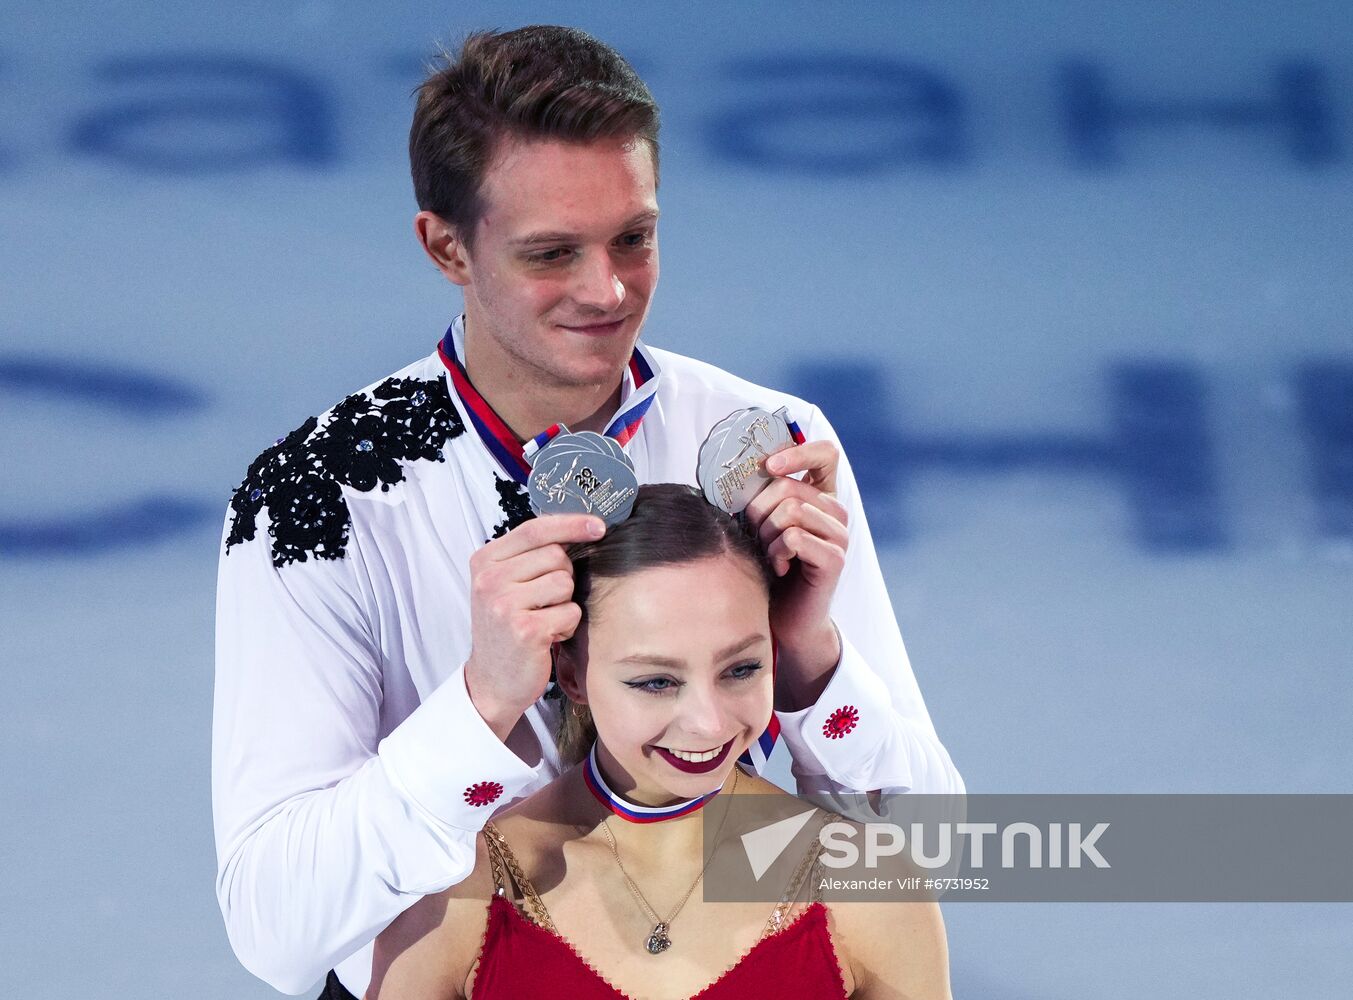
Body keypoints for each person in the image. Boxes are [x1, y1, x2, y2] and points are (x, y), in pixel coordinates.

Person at [212, 24, 963, 999]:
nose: (607, 290)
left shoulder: (767, 440)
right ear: (446, 245)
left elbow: (929, 858)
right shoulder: (317, 499)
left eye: (635, 239)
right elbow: (277, 934)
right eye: (552, 253)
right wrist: (479, 710)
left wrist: (809, 660)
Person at [366, 485, 951, 999]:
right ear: (571, 675)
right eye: (656, 681)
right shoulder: (456, 886)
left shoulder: (866, 883)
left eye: (741, 669)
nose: (708, 722)